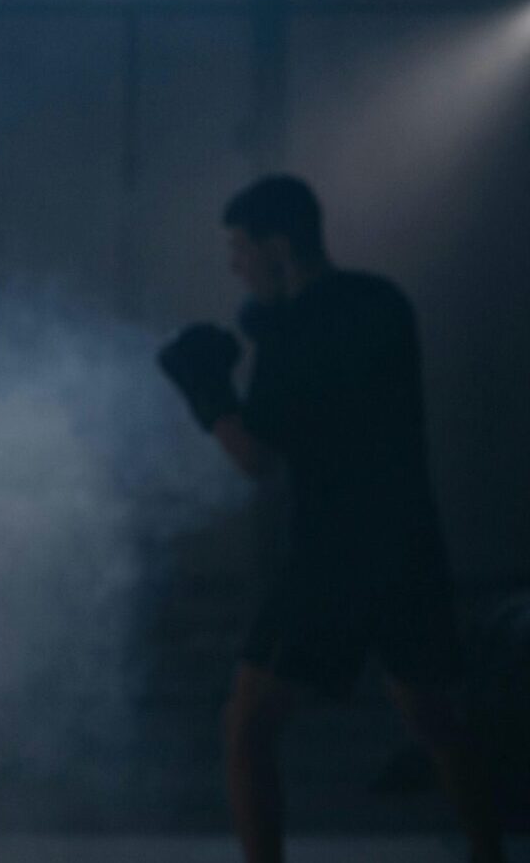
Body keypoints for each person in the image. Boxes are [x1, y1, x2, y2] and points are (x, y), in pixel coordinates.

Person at [158, 175, 504, 863]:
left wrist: (211, 396)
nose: (235, 265)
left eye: (240, 249)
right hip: (409, 541)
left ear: (277, 244)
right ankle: (490, 856)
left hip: (334, 554)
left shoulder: (296, 328)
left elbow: (256, 457)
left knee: (247, 723)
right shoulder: (382, 301)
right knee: (436, 719)